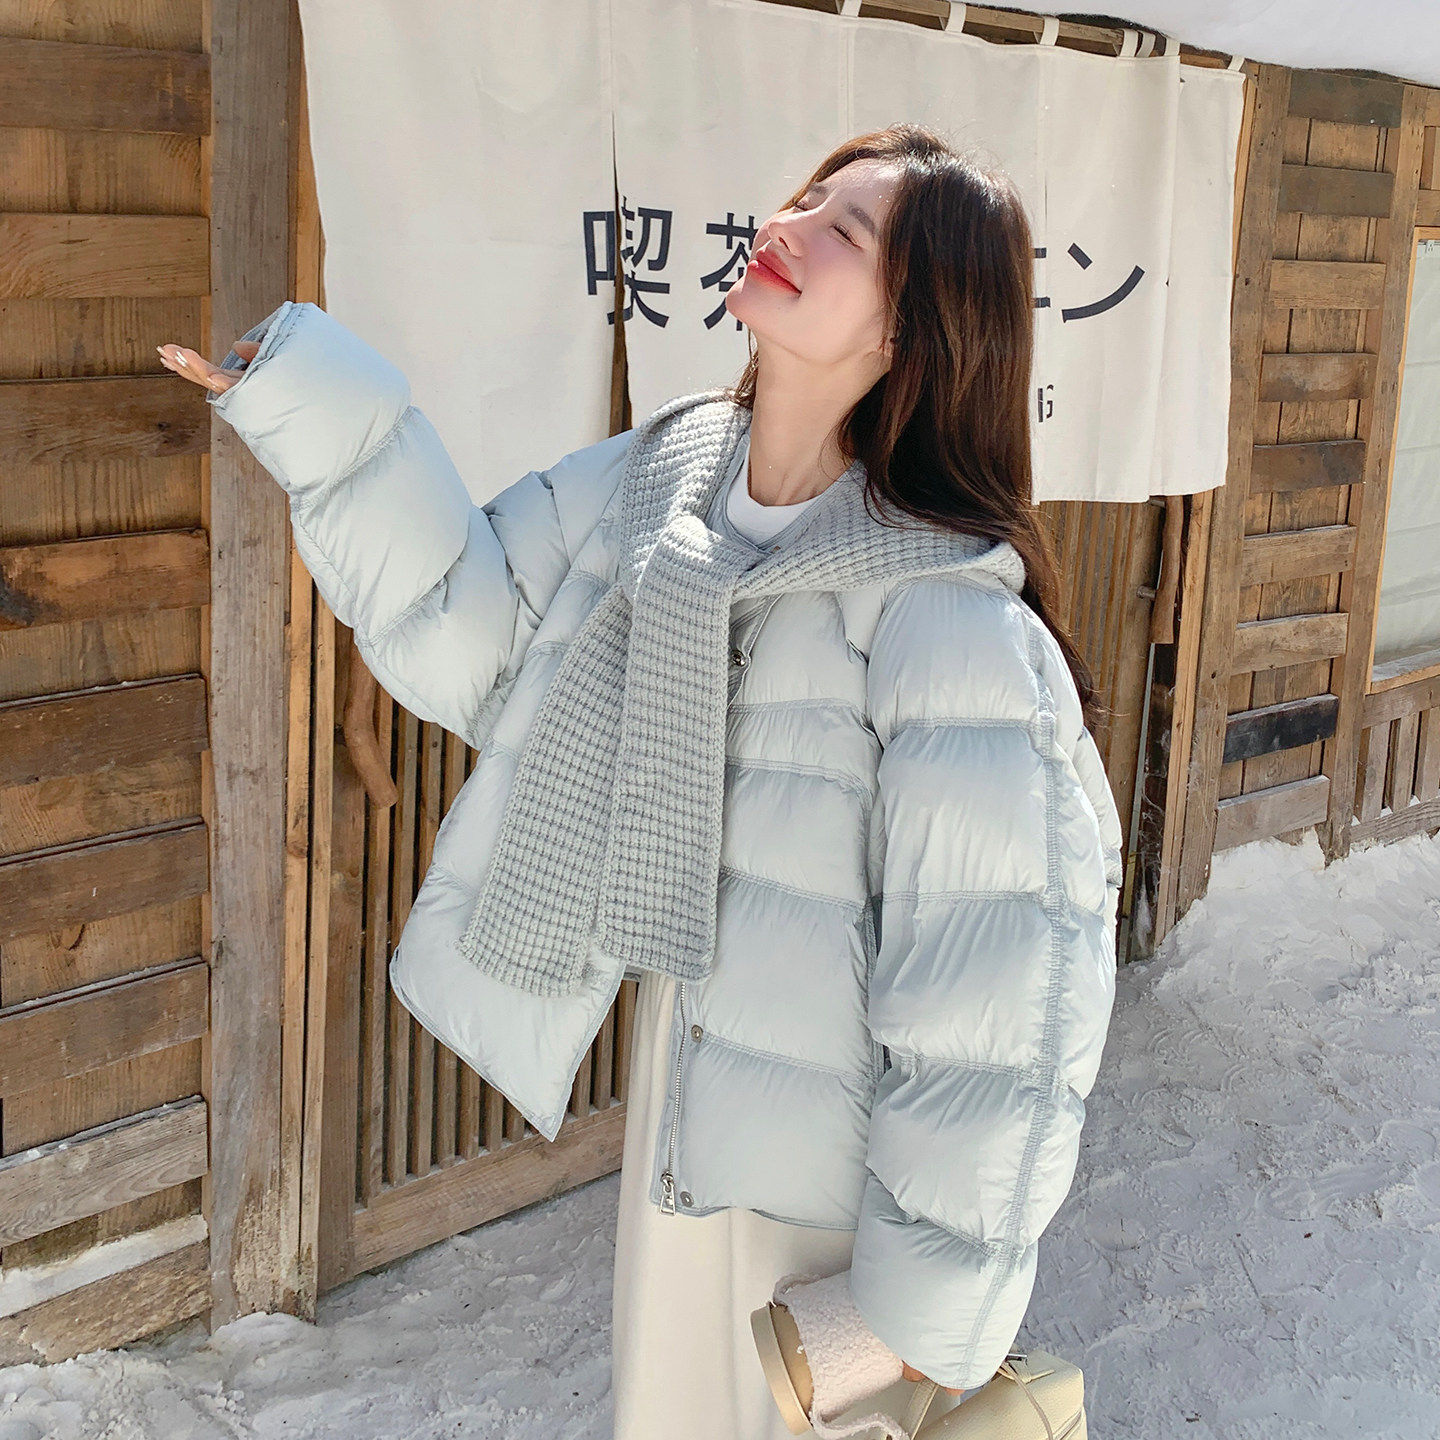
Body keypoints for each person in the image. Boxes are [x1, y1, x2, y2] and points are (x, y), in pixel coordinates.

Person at [161, 122, 1122, 1439]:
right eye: (804, 199)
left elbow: (1007, 1007)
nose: (787, 227)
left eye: (843, 230)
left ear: (912, 327)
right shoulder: (666, 478)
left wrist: (910, 1315)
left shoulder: (946, 618)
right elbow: (476, 634)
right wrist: (321, 418)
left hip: (831, 1217)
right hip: (686, 1136)